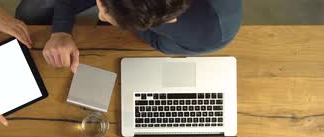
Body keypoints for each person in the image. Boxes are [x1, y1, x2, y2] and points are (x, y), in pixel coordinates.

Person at [15, 0, 242, 73]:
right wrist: (61, 30)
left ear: (169, 20)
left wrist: (125, 22)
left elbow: (159, 42)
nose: (102, 15)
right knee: (30, 11)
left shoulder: (213, 31)